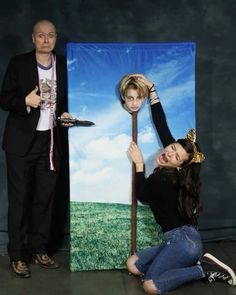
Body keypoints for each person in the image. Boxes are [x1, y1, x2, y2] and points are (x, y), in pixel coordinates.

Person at [126, 74, 236, 294]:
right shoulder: (177, 169)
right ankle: (186, 261)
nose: (168, 153)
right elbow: (161, 125)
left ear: (180, 166)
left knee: (150, 284)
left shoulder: (163, 178)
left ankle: (202, 269)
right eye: (172, 147)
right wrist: (152, 90)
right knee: (132, 265)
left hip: (184, 243)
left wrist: (139, 164)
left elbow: (142, 196)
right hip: (180, 240)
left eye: (175, 155)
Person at [0, 19, 73, 278]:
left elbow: (68, 99)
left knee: (45, 199)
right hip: (21, 143)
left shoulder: (64, 64)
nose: (45, 40)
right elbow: (4, 98)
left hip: (50, 141)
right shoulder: (19, 63)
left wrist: (65, 113)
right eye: (40, 36)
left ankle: (39, 249)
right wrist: (25, 101)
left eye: (50, 36)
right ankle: (18, 255)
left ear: (55, 38)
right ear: (32, 38)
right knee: (20, 201)